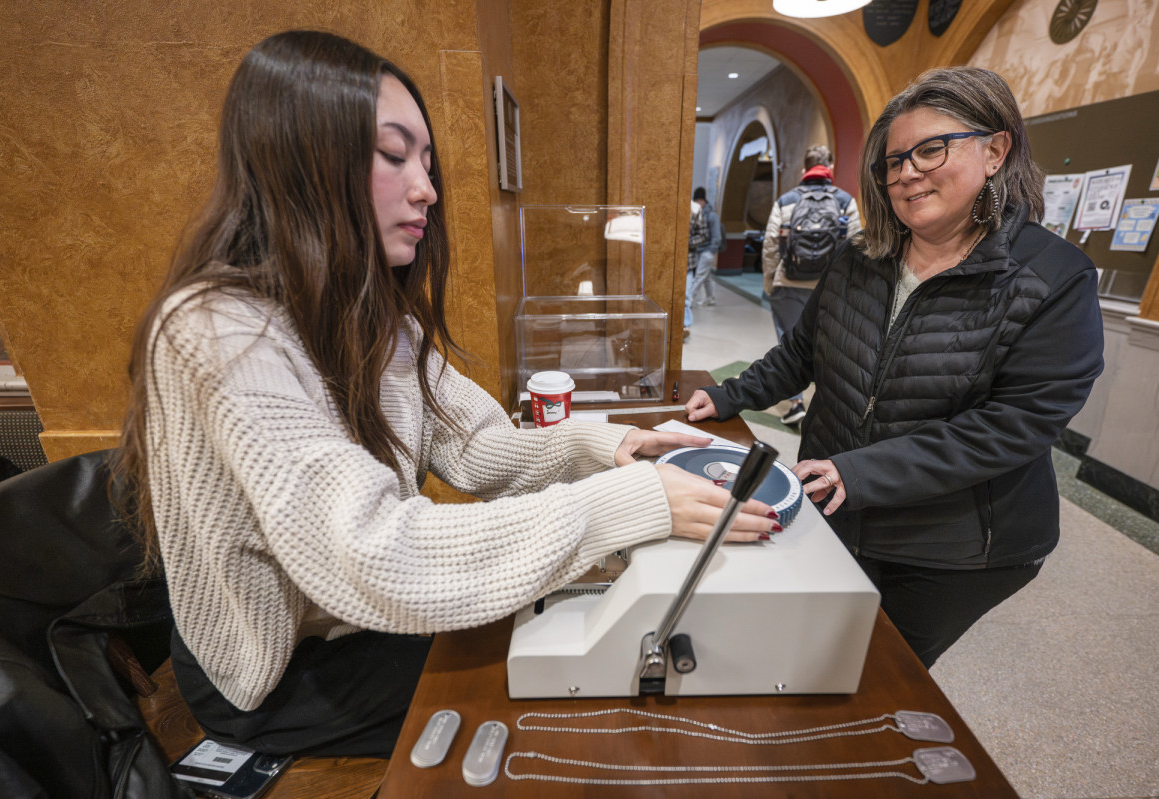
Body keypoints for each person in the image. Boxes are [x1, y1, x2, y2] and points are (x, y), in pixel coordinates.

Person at [111, 30, 779, 760]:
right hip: (277, 668)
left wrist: (605, 444)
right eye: (394, 156)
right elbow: (370, 552)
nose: (427, 186)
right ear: (299, 158)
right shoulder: (214, 328)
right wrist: (625, 503)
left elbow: (472, 444)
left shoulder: (372, 308)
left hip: (356, 616)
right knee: (550, 695)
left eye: (426, 160)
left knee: (561, 637)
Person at [685, 66, 1104, 668]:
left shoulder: (1055, 277)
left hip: (953, 546)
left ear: (995, 150)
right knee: (808, 655)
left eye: (931, 150)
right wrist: (729, 395)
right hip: (840, 507)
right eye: (893, 160)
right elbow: (805, 350)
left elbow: (1017, 424)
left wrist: (861, 472)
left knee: (875, 674)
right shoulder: (862, 255)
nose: (907, 173)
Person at [762, 145, 861, 426]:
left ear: (804, 170)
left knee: (789, 342)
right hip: (828, 286)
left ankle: (795, 405)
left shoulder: (786, 201)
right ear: (829, 167)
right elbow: (854, 246)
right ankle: (827, 407)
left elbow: (770, 245)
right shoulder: (845, 201)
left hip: (789, 282)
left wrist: (770, 281)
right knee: (826, 343)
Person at [688, 187, 721, 308]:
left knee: (699, 276)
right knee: (706, 277)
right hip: (699, 250)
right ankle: (710, 297)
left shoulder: (712, 216)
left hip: (707, 251)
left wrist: (712, 251)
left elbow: (717, 236)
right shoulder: (699, 213)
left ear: (702, 201)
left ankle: (689, 298)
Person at [683, 197, 709, 341]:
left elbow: (703, 235)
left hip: (688, 261)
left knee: (686, 296)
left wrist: (685, 242)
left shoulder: (695, 209)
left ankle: (685, 326)